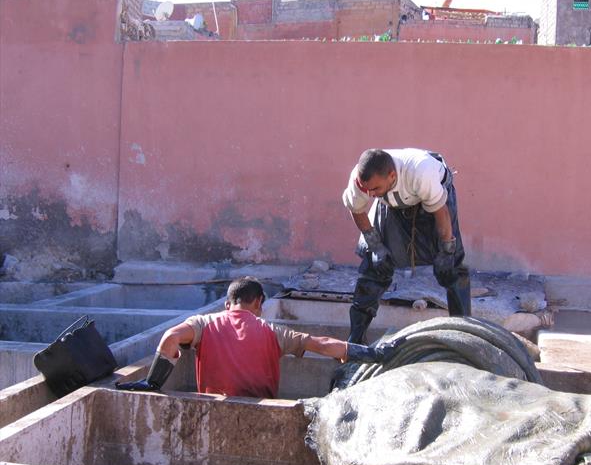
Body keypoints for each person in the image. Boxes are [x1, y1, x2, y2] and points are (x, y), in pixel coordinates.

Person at [116, 276, 389, 398]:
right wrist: (371, 354)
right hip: (261, 415)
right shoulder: (273, 332)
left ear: (227, 303)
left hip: (211, 412)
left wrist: (153, 383)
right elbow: (321, 344)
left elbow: (170, 338)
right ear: (258, 302)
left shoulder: (203, 324)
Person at [342, 148, 471, 344]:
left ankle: (465, 337)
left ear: (392, 176)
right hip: (392, 204)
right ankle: (356, 340)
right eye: (367, 190)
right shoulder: (362, 180)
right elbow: (356, 208)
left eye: (374, 189)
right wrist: (376, 246)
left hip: (433, 204)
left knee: (452, 267)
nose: (370, 194)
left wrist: (446, 249)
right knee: (374, 265)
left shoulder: (421, 172)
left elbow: (440, 212)